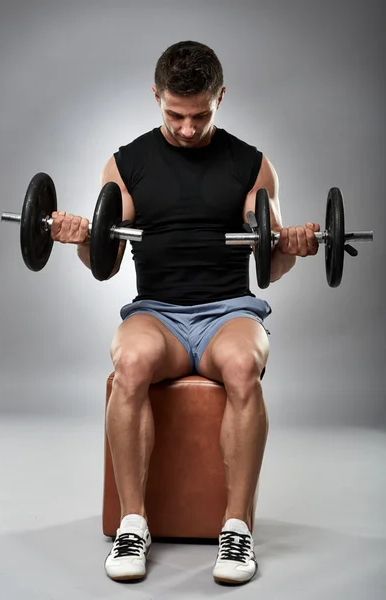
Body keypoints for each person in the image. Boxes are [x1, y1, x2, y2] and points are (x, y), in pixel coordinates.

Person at [51, 40, 319, 585]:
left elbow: (269, 264)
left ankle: (236, 530)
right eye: (175, 114)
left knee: (245, 367)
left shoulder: (252, 163)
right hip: (158, 313)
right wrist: (79, 237)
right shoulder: (128, 163)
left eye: (201, 115)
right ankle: (133, 523)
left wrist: (291, 244)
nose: (188, 128)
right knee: (129, 362)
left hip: (229, 311)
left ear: (220, 97)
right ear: (156, 96)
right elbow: (105, 259)